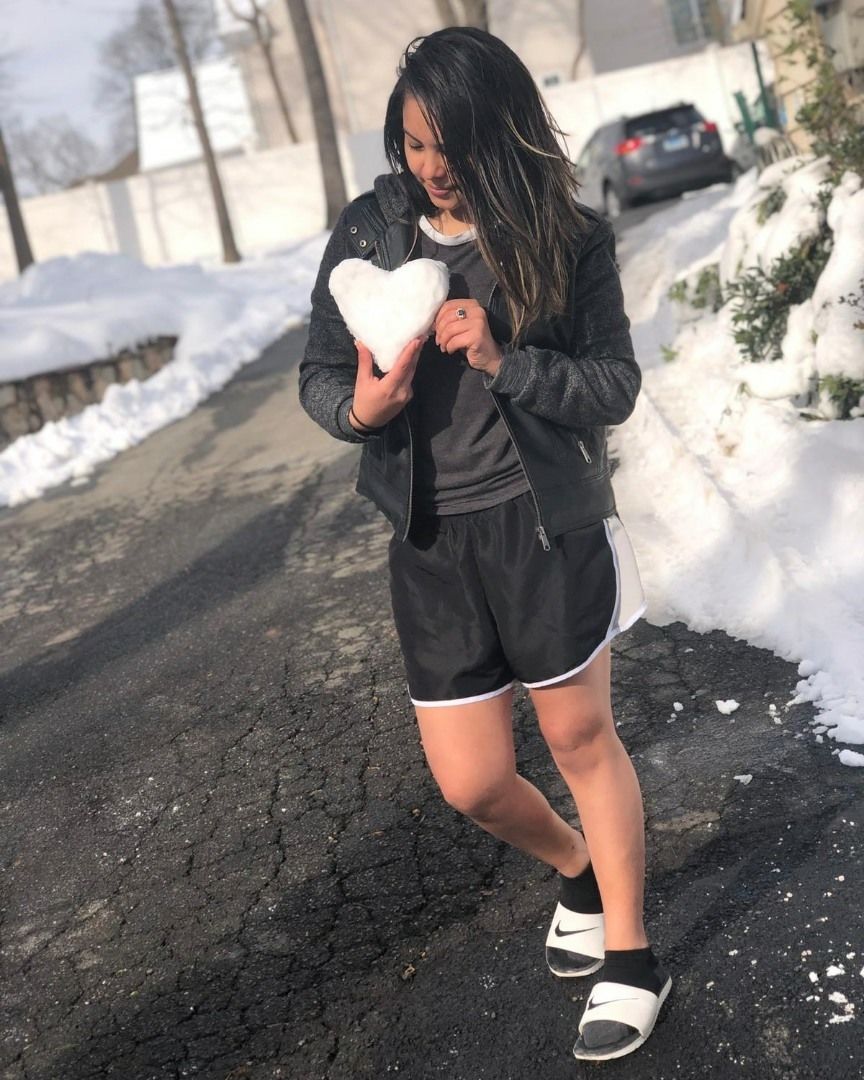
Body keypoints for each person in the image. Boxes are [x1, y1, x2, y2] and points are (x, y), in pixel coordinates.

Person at [299, 26, 671, 1063]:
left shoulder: (565, 234)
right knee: (470, 783)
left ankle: (633, 956)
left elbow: (613, 386)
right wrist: (361, 411)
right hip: (429, 538)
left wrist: (507, 362)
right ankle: (579, 870)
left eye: (450, 142)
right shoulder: (369, 230)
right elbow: (319, 373)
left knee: (580, 740)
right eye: (415, 144)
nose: (431, 165)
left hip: (542, 521)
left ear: (498, 128)